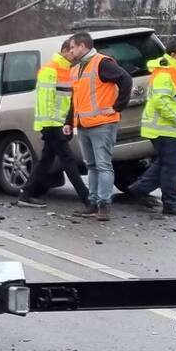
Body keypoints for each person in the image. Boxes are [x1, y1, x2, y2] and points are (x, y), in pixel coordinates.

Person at [64, 32, 133, 221]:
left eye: (72, 47)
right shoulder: (77, 68)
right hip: (85, 124)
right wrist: (69, 122)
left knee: (103, 165)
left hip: (103, 122)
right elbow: (75, 99)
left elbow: (125, 79)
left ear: (82, 46)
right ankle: (93, 203)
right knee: (92, 165)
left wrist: (118, 106)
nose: (70, 51)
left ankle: (104, 205)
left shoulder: (102, 63)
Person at [15, 38, 89, 207]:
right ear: (64, 50)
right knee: (68, 160)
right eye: (71, 49)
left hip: (57, 124)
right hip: (52, 125)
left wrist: (66, 123)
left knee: (46, 161)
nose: (73, 53)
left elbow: (66, 101)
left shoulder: (67, 70)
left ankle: (26, 195)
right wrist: (50, 126)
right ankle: (86, 198)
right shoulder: (51, 69)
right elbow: (45, 100)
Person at [125, 38, 176, 215]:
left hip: (170, 128)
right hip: (166, 128)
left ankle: (138, 189)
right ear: (173, 54)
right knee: (173, 165)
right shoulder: (166, 74)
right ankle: (171, 203)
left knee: (165, 163)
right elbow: (162, 101)